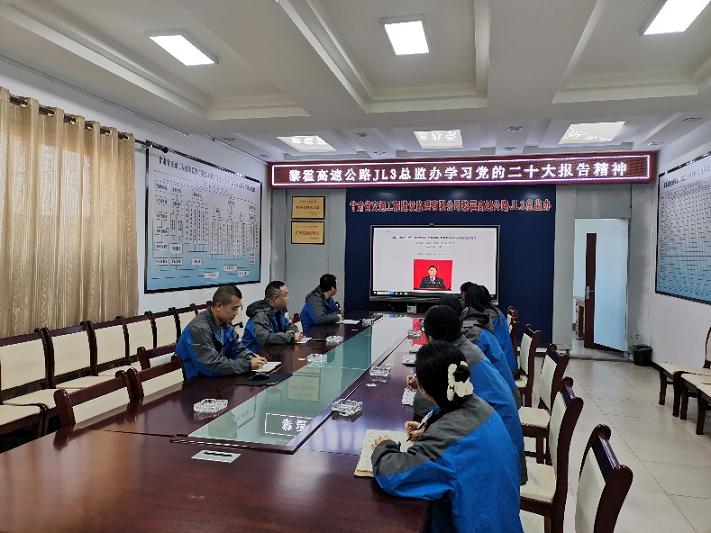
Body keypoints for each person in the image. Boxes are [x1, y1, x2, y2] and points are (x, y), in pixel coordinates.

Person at [372, 340, 524, 533]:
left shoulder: (446, 441)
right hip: (502, 518)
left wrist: (385, 446)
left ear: (424, 389)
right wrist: (430, 428)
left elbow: (393, 475)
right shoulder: (480, 405)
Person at [409, 305, 527, 484]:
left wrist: (425, 380)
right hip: (501, 441)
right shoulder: (465, 347)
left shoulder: (457, 358)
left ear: (431, 339)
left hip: (499, 462)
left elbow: (422, 405)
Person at [176, 284, 267, 379]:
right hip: (195, 382)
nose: (236, 313)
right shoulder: (199, 328)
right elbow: (211, 365)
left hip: (214, 377)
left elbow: (237, 349)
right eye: (234, 308)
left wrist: (251, 357)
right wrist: (248, 364)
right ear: (219, 306)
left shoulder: (224, 325)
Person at [468, 284, 518, 375]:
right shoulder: (493, 311)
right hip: (507, 365)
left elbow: (479, 345)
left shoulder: (486, 318)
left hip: (502, 370)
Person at [241, 281, 303, 352]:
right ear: (276, 298)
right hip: (255, 354)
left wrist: (293, 332)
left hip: (273, 352)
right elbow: (265, 339)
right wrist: (290, 337)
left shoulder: (279, 311)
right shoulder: (260, 315)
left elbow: (289, 326)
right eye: (285, 295)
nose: (288, 298)